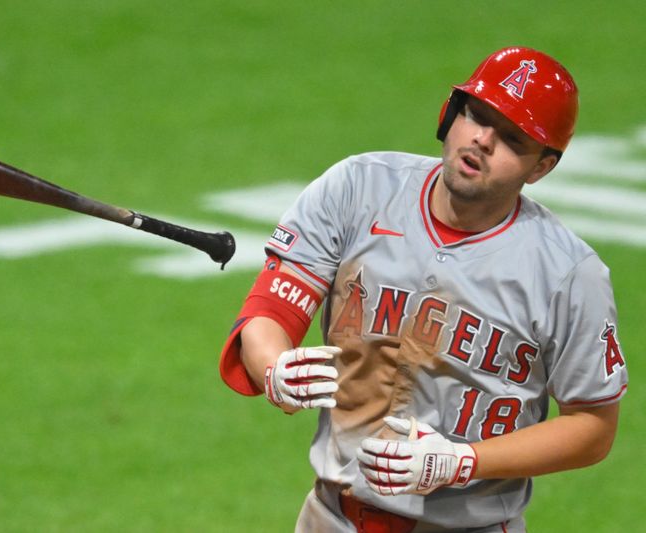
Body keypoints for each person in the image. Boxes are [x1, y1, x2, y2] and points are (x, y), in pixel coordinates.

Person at [218, 46, 628, 533]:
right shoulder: (358, 189)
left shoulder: (567, 273)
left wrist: (462, 462)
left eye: (513, 138)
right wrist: (274, 371)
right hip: (330, 517)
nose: (482, 139)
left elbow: (593, 427)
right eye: (477, 114)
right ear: (451, 112)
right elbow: (269, 311)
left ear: (540, 167)